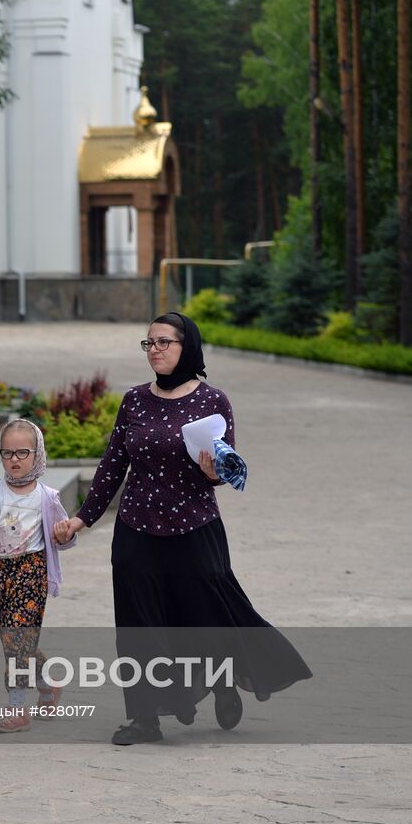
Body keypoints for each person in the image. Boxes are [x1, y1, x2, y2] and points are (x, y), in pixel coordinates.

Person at [57, 312, 312, 746]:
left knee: (207, 615)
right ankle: (144, 719)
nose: (154, 350)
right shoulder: (135, 400)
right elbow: (113, 465)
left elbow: (228, 471)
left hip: (194, 528)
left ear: (186, 347)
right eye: (149, 343)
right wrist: (83, 518)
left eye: (164, 343)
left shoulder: (214, 401)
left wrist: (213, 471)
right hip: (137, 528)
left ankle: (225, 680)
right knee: (139, 626)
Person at [0, 419, 78, 733]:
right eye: (7, 453)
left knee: (16, 644)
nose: (14, 459)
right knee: (16, 642)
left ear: (37, 453)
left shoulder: (47, 497)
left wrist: (64, 536)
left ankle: (16, 710)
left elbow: (66, 539)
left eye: (22, 452)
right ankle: (49, 685)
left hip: (31, 573)